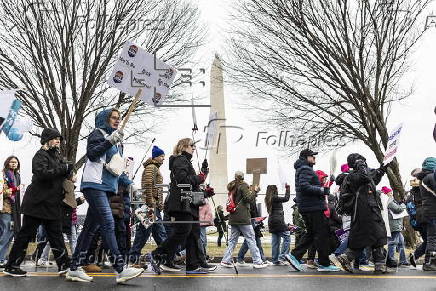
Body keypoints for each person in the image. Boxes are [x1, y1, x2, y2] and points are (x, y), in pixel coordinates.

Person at [66, 109, 143, 283]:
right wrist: (109, 141)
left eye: (119, 118)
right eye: (113, 117)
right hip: (94, 185)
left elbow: (115, 168)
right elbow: (92, 154)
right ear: (104, 119)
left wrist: (131, 184)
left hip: (107, 188)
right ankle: (120, 269)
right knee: (108, 222)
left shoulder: (117, 142)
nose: (117, 120)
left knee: (89, 230)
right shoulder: (97, 134)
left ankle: (74, 268)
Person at [4, 128, 72, 276]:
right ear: (47, 140)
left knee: (56, 235)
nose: (58, 141)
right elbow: (41, 173)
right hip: (36, 203)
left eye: (59, 139)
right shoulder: (40, 155)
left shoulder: (57, 156)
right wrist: (63, 168)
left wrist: (68, 171)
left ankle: (65, 265)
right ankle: (12, 265)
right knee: (26, 234)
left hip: (52, 203)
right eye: (55, 138)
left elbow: (59, 174)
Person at [150, 138, 216, 274]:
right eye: (192, 145)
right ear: (183, 146)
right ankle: (157, 254)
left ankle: (192, 266)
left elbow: (191, 187)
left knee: (193, 234)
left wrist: (204, 190)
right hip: (181, 204)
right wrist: (200, 177)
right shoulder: (180, 160)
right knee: (183, 232)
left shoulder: (185, 161)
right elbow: (183, 181)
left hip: (189, 204)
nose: (194, 148)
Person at [286, 149, 340, 272]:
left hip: (309, 206)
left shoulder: (303, 169)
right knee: (322, 234)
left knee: (312, 233)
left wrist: (324, 187)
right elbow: (304, 186)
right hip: (313, 207)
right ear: (306, 157)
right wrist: (321, 190)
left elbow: (307, 186)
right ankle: (324, 263)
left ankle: (294, 256)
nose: (314, 158)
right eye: (312, 156)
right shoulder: (305, 169)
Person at [335, 153, 388, 274]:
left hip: (371, 208)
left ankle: (377, 263)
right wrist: (360, 164)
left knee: (375, 235)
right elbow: (364, 177)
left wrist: (382, 168)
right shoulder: (352, 177)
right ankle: (349, 257)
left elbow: (373, 178)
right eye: (360, 161)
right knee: (373, 234)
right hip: (362, 210)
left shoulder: (361, 175)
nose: (364, 163)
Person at [220, 171, 268, 269]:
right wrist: (255, 191)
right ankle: (258, 261)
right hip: (243, 217)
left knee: (232, 240)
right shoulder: (243, 186)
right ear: (242, 177)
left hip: (233, 217)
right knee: (251, 238)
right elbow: (248, 199)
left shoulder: (232, 187)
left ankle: (226, 260)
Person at [129, 146, 167, 267]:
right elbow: (147, 186)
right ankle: (134, 257)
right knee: (144, 232)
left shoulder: (155, 168)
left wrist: (159, 204)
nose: (163, 159)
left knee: (159, 233)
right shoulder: (151, 168)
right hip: (150, 206)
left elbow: (157, 189)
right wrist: (151, 204)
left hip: (154, 205)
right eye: (161, 156)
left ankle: (168, 257)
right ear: (155, 156)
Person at [237, 186, 268, 266]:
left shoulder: (251, 199)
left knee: (252, 241)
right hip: (252, 223)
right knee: (251, 241)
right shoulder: (250, 199)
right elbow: (253, 212)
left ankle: (241, 258)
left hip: (253, 222)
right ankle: (260, 259)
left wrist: (259, 221)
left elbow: (254, 212)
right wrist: (258, 221)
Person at [0, 156, 21, 268]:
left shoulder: (17, 175)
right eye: (11, 162)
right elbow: (3, 191)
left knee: (9, 233)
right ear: (7, 163)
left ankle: (2, 258)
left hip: (14, 209)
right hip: (4, 208)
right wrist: (15, 189)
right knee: (7, 233)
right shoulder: (3, 175)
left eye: (15, 162)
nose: (14, 164)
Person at [416, 157, 436, 271]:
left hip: (428, 211)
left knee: (431, 237)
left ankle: (429, 262)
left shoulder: (424, 178)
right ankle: (430, 263)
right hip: (433, 211)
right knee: (433, 238)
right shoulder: (430, 177)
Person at [265, 184, 291, 265]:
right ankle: (282, 257)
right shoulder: (275, 197)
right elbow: (286, 198)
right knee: (287, 237)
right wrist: (287, 189)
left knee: (275, 241)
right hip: (278, 221)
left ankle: (275, 260)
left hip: (272, 221)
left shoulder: (268, 198)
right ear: (274, 190)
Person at [382, 187, 408, 267]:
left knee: (401, 242)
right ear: (387, 193)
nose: (392, 194)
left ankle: (403, 260)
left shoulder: (388, 200)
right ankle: (391, 260)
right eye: (390, 192)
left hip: (396, 225)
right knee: (393, 243)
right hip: (393, 225)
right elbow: (397, 209)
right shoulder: (389, 201)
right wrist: (403, 205)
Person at [408, 168, 426, 267]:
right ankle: (417, 256)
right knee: (430, 240)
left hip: (418, 220)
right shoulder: (419, 190)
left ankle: (416, 256)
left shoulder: (413, 192)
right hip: (422, 218)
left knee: (428, 240)